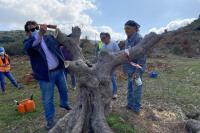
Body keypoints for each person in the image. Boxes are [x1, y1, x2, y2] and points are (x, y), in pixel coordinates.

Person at [23, 21, 71, 130]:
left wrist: (56, 29)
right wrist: (39, 34)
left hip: (59, 70)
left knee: (64, 90)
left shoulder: (49, 38)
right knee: (48, 99)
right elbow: (31, 46)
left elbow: (62, 40)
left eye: (36, 27)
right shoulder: (27, 42)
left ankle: (64, 103)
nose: (34, 30)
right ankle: (50, 121)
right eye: (31, 29)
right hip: (45, 75)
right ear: (27, 32)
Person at [123, 20, 146, 114]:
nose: (126, 30)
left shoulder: (139, 39)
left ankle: (136, 108)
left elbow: (142, 56)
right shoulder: (128, 39)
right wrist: (124, 67)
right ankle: (130, 104)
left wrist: (137, 70)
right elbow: (126, 54)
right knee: (130, 87)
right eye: (125, 28)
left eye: (128, 28)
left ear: (135, 28)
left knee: (137, 88)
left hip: (137, 68)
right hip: (129, 68)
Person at [101, 32, 120, 99]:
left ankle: (115, 93)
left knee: (112, 77)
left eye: (104, 38)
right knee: (106, 78)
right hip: (105, 64)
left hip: (112, 64)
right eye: (101, 38)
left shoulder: (113, 44)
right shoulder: (103, 45)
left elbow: (118, 53)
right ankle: (107, 92)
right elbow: (101, 54)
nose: (102, 40)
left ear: (108, 37)